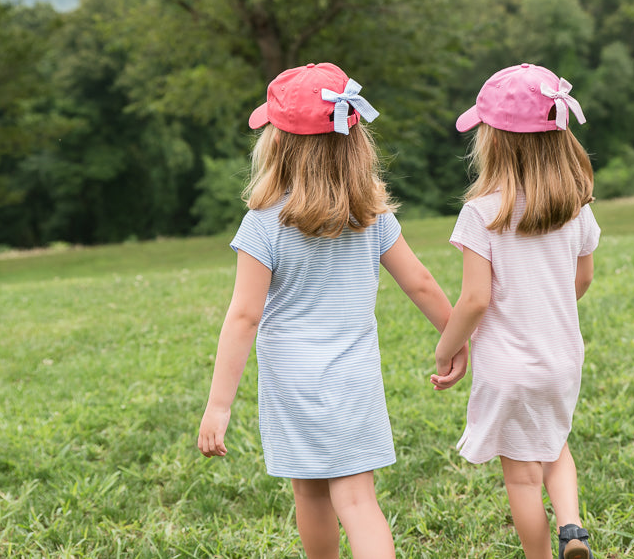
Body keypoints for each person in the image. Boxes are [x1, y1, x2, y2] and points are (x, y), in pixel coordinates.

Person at [197, 62, 462, 559]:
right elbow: (422, 283)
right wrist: (456, 339)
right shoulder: (372, 217)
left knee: (310, 493)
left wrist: (219, 404)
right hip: (355, 377)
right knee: (359, 500)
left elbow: (243, 317)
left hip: (292, 382)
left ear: (277, 144)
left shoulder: (263, 223)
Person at [431, 63, 601, 559]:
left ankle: (541, 556)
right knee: (555, 445)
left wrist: (447, 348)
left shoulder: (482, 211)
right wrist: (550, 307)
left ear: (494, 141)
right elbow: (584, 278)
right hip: (561, 358)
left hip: (507, 366)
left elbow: (475, 300)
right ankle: (572, 528)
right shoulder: (576, 203)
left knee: (522, 478)